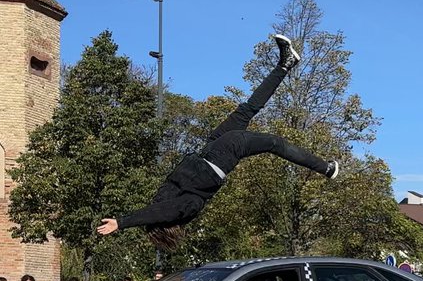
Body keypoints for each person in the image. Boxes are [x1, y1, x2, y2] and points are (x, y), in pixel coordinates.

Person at [96, 35, 337, 251]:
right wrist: (122, 222)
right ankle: (326, 168)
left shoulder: (166, 201)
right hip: (223, 154)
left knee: (247, 109)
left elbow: (156, 209)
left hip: (210, 149)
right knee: (274, 143)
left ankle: (285, 64)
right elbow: (159, 213)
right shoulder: (185, 209)